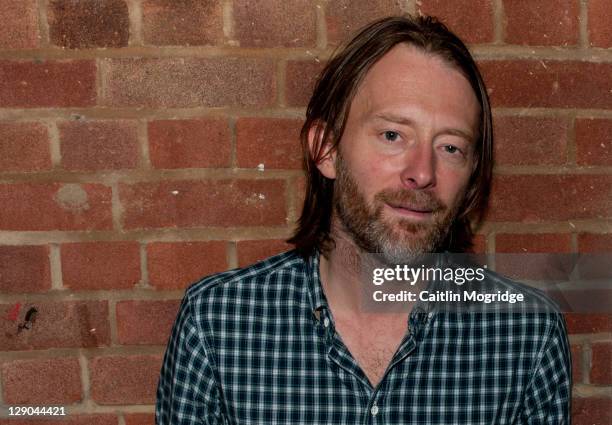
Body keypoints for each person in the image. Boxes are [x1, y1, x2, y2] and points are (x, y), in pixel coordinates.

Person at [156, 15, 571, 424]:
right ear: (327, 150)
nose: (423, 172)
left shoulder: (526, 336)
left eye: (450, 147)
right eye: (393, 135)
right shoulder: (217, 324)